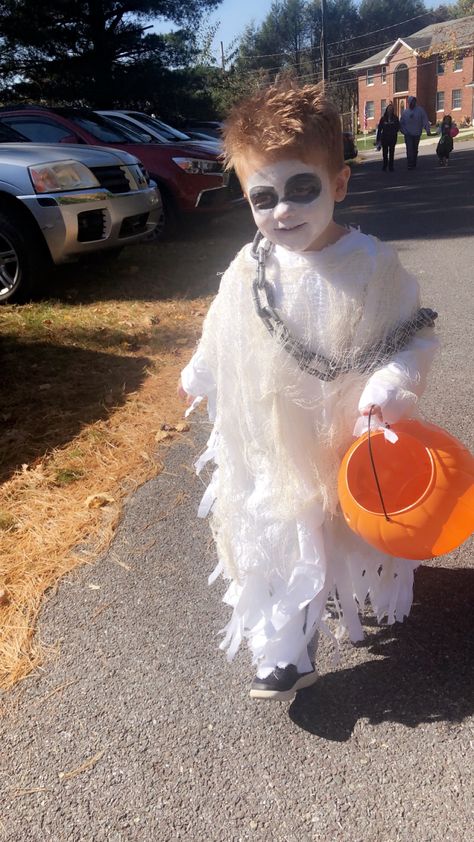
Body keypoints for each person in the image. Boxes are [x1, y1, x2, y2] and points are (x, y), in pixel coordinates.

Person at [178, 83, 438, 702]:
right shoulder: (249, 269)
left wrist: (393, 382)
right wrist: (201, 371)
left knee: (343, 529)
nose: (283, 211)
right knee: (281, 531)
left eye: (303, 189)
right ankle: (288, 652)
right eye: (262, 198)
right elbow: (224, 332)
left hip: (350, 436)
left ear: (340, 183)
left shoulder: (374, 266)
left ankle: (353, 593)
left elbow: (413, 338)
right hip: (278, 443)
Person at [400, 95, 431, 169]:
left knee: (414, 148)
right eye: (411, 102)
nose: (412, 103)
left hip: (417, 133)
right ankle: (410, 163)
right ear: (408, 103)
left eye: (413, 102)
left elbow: (425, 120)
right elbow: (401, 123)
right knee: (409, 148)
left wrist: (427, 130)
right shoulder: (405, 112)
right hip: (408, 134)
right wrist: (404, 131)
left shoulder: (420, 110)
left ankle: (414, 161)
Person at [376, 102, 400, 172]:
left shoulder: (395, 118)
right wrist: (378, 139)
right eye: (389, 109)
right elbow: (380, 129)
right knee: (385, 153)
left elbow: (398, 127)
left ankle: (391, 166)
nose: (390, 111)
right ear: (387, 110)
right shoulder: (383, 119)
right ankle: (385, 165)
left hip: (392, 138)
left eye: (391, 109)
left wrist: (393, 128)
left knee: (392, 152)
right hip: (385, 138)